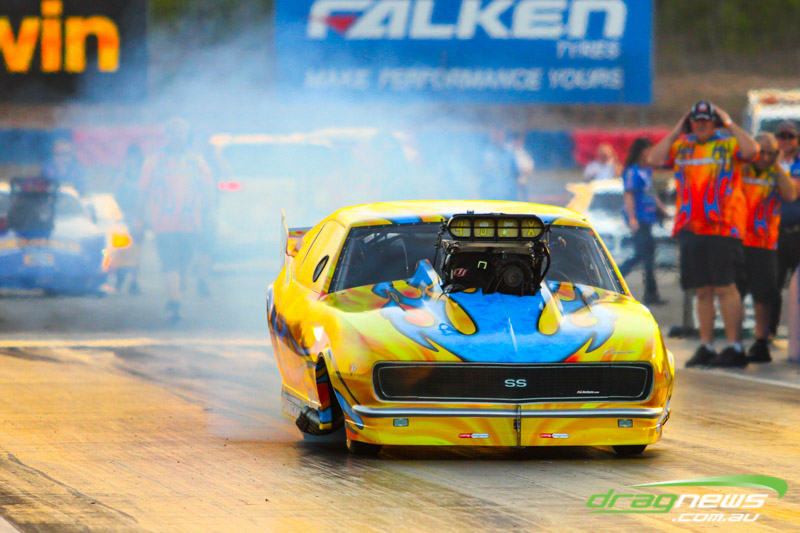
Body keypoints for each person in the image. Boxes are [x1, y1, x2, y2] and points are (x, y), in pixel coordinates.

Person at [648, 101, 760, 368]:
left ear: (714, 123)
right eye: (696, 120)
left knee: (725, 288)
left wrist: (728, 122)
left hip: (722, 227)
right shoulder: (682, 146)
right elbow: (653, 160)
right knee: (702, 291)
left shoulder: (728, 144)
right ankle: (707, 346)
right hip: (690, 228)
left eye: (706, 121)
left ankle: (735, 347)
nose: (700, 125)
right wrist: (678, 129)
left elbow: (753, 150)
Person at [137, 119, 214, 324]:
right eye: (172, 132)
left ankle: (176, 289)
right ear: (166, 135)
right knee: (169, 261)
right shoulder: (154, 161)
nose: (176, 136)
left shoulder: (196, 160)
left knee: (184, 262)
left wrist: (208, 213)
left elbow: (209, 188)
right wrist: (139, 219)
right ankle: (175, 302)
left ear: (186, 135)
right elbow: (143, 191)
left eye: (180, 132)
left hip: (190, 222)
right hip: (163, 222)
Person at [738, 133, 798, 363]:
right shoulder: (743, 168)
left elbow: (791, 194)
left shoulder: (776, 172)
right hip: (738, 239)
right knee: (735, 292)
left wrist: (777, 165)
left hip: (764, 242)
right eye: (762, 152)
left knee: (764, 294)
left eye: (771, 153)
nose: (766, 157)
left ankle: (762, 340)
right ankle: (735, 342)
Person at [617, 137, 668, 305]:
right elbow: (629, 195)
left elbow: (651, 193)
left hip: (648, 218)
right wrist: (632, 218)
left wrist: (662, 210)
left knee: (645, 255)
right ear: (641, 152)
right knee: (644, 256)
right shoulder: (633, 171)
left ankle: (616, 278)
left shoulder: (647, 171)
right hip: (639, 219)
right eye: (649, 150)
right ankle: (615, 278)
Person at [770, 121, 800, 338]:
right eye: (782, 136)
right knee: (773, 285)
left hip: (798, 231)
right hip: (776, 232)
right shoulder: (768, 161)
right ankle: (769, 331)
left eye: (790, 136)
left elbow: (793, 191)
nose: (786, 141)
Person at [112, 145, 145, 294]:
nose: (132, 161)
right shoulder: (121, 174)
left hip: (138, 216)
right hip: (122, 217)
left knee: (136, 250)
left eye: (135, 158)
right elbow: (114, 191)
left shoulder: (143, 176)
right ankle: (120, 278)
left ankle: (134, 281)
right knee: (121, 248)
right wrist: (122, 173)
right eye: (130, 158)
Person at [480, 129, 517, 201]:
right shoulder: (485, 153)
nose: (497, 139)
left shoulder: (509, 154)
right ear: (491, 138)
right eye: (495, 136)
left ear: (504, 138)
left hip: (507, 192)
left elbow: (515, 173)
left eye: (500, 136)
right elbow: (478, 171)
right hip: (489, 191)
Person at [509, 133, 535, 201]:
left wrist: (520, 171)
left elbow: (529, 168)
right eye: (514, 140)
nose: (516, 142)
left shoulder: (524, 153)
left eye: (518, 140)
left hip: (521, 183)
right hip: (509, 184)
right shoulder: (507, 151)